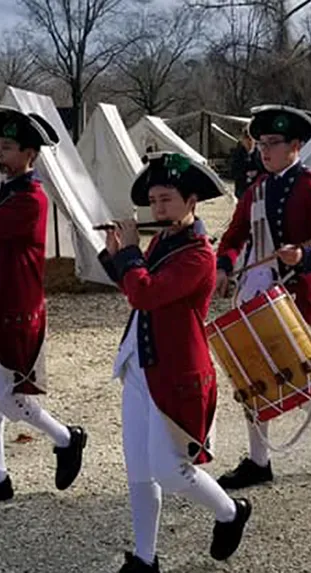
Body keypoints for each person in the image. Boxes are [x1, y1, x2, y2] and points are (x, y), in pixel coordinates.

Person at [100, 152, 253, 572]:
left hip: (175, 374)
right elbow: (136, 290)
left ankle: (230, 511)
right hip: (139, 366)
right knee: (138, 471)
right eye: (154, 199)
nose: (158, 207)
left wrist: (130, 256)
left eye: (167, 198)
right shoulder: (162, 241)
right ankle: (146, 559)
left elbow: (146, 293)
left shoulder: (200, 255)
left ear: (191, 202)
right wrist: (118, 256)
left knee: (170, 472)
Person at [0, 105, 88, 510]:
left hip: (14, 308)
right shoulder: (11, 189)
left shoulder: (31, 197)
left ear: (29, 154)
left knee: (4, 398)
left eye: (7, 147)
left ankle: (66, 437)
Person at [214, 105, 311, 490]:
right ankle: (259, 461)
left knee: (300, 377)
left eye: (273, 143)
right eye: (261, 143)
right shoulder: (255, 189)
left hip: (298, 297)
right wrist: (224, 266)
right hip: (256, 291)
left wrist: (305, 256)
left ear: (296, 145)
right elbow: (235, 236)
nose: (264, 151)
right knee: (252, 377)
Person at [228, 129, 264, 199]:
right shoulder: (237, 154)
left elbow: (266, 169)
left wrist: (256, 173)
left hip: (258, 189)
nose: (249, 144)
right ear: (243, 141)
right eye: (246, 141)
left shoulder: (260, 153)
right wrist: (245, 173)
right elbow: (233, 171)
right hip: (242, 189)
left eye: (251, 140)